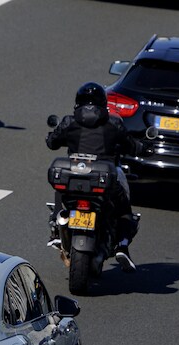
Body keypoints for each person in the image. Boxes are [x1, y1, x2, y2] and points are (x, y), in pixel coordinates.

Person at [46, 82, 140, 272]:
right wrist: (142, 147)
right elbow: (131, 146)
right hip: (105, 177)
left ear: (77, 103)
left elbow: (52, 143)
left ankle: (57, 226)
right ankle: (122, 245)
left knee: (61, 189)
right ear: (103, 103)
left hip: (74, 175)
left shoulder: (69, 121)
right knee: (124, 210)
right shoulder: (113, 123)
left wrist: (55, 136)